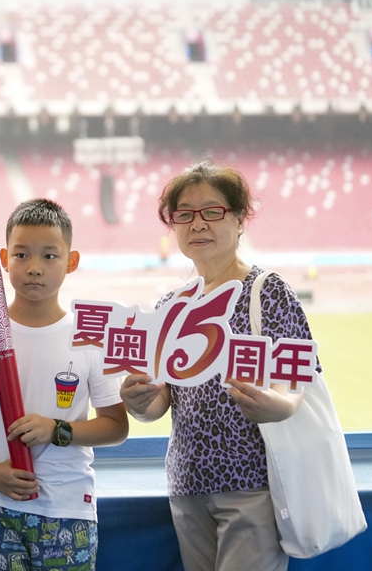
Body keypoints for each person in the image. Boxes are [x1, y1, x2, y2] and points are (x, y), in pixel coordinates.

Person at [120, 159, 318, 571]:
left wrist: (275, 406)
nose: (198, 224)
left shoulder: (267, 292)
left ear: (240, 218)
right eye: (184, 215)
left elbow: (296, 382)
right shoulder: (171, 305)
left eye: (213, 211)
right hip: (187, 484)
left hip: (252, 484)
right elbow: (161, 403)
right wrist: (139, 401)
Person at [0, 199, 129, 571]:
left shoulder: (89, 338)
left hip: (68, 507)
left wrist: (56, 429)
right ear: (2, 258)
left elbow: (116, 426)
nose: (34, 268)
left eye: (49, 256)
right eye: (22, 255)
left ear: (71, 262)